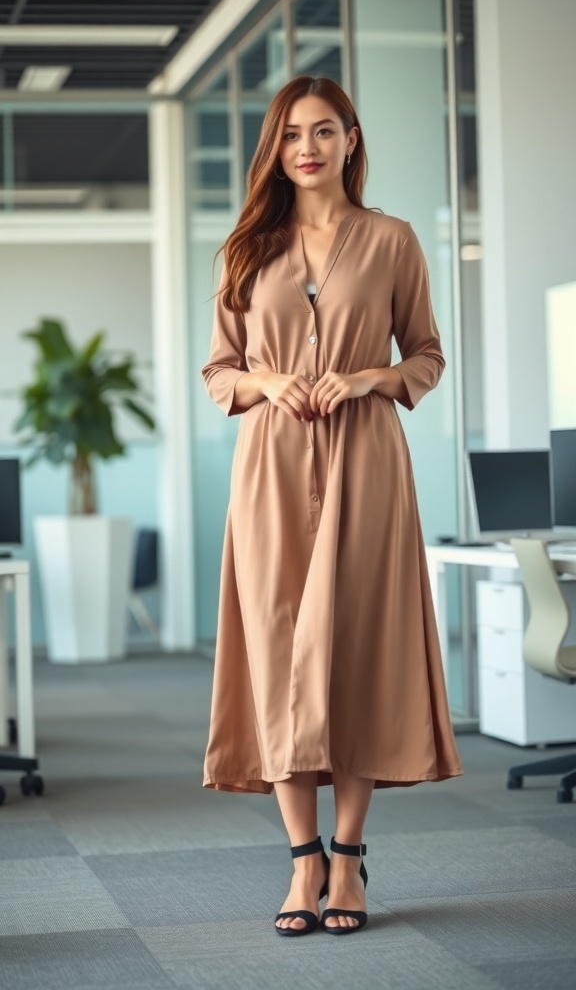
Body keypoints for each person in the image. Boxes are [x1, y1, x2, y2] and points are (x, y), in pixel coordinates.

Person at [201, 75, 462, 937]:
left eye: (321, 131)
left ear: (352, 138)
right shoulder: (247, 247)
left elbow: (425, 354)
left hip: (366, 462)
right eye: (288, 135)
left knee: (351, 649)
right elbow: (219, 371)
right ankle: (299, 860)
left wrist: (369, 378)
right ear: (274, 149)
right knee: (277, 652)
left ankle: (348, 860)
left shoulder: (393, 240)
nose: (304, 147)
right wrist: (267, 380)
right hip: (270, 469)